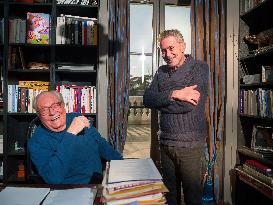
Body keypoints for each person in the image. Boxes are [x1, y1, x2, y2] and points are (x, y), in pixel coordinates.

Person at [143, 29, 209, 205]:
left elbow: (188, 105)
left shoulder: (199, 68)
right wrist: (175, 93)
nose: (167, 54)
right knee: (169, 197)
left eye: (171, 48)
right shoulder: (161, 71)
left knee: (192, 198)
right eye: (163, 50)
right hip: (165, 144)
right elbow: (147, 99)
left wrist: (162, 100)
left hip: (190, 146)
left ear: (183, 46)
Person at [28, 91, 122, 184]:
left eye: (56, 105)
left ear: (63, 106)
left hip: (98, 183)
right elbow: (53, 178)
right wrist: (71, 133)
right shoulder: (36, 142)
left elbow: (102, 145)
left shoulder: (77, 118)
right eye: (44, 110)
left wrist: (123, 165)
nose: (52, 112)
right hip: (69, 190)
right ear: (39, 115)